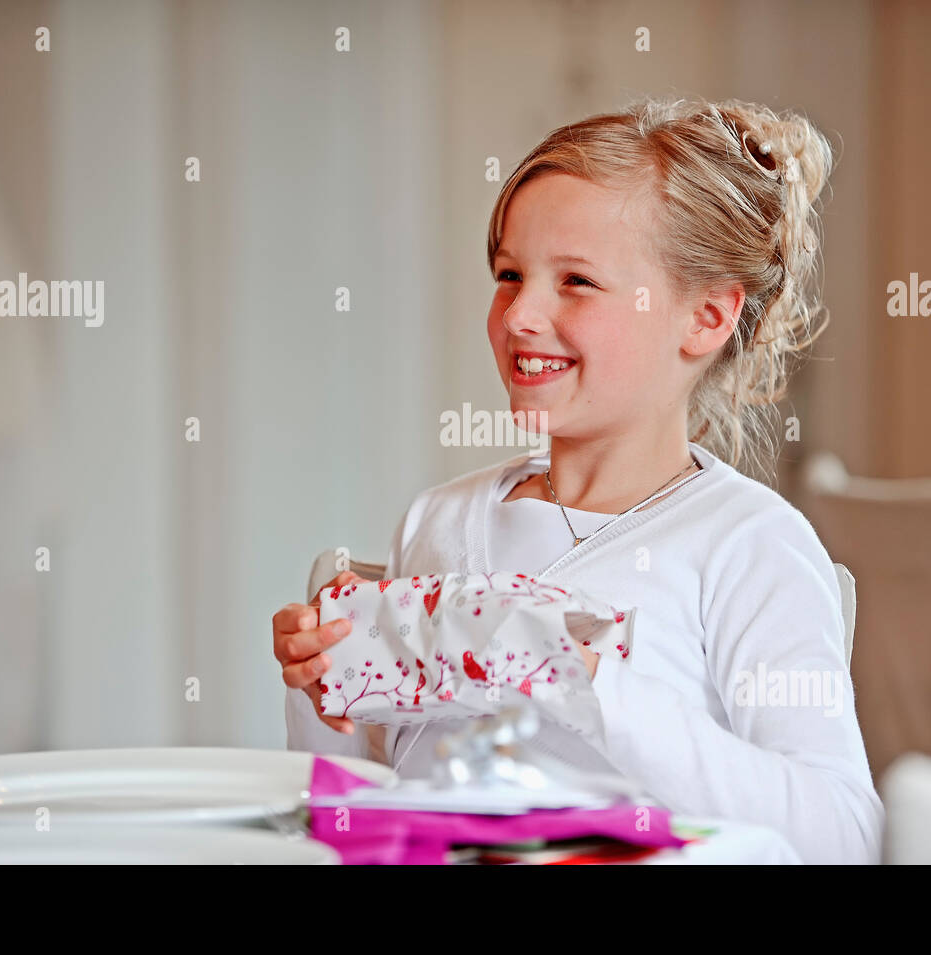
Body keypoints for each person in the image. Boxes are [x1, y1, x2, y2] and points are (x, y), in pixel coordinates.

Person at [273, 95, 883, 864]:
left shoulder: (749, 546)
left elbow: (842, 837)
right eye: (508, 273)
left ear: (706, 317)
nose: (520, 313)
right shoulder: (438, 519)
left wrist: (590, 680)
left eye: (576, 282)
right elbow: (366, 800)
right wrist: (320, 687)